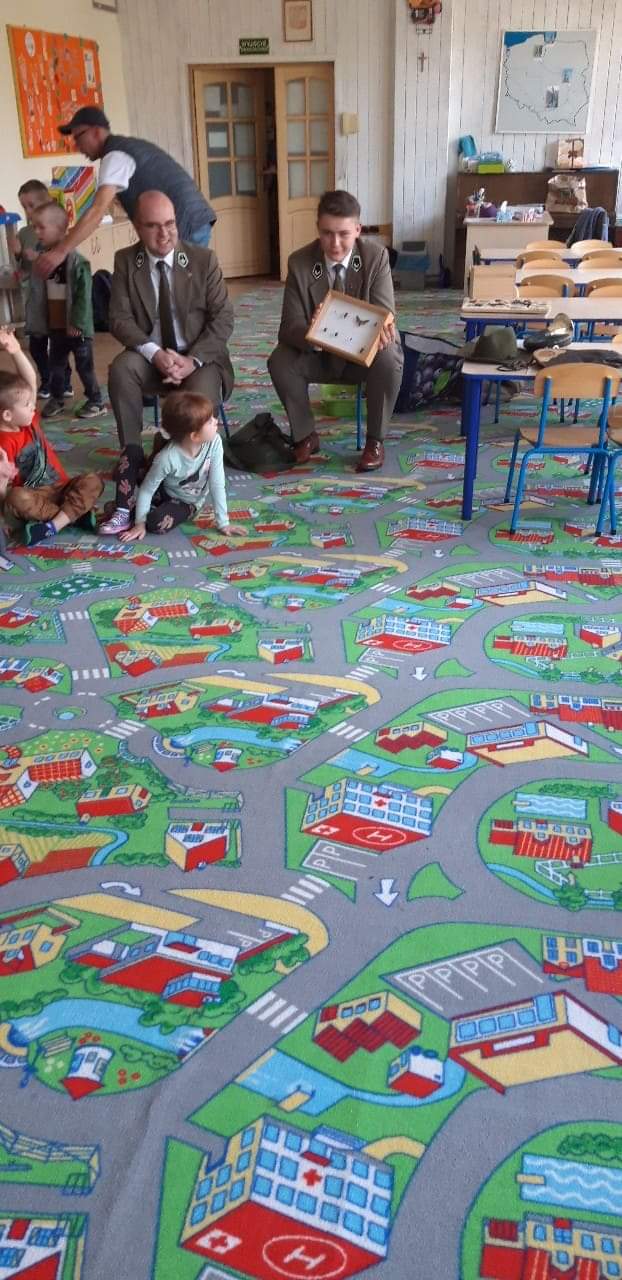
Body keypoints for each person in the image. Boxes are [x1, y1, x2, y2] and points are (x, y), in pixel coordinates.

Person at [101, 190, 234, 535]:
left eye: (170, 224)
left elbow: (223, 319)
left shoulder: (203, 260)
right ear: (137, 227)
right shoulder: (126, 261)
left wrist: (192, 360)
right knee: (122, 368)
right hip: (151, 357)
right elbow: (119, 319)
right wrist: (154, 353)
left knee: (200, 391)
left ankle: (187, 461)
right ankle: (132, 456)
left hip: (199, 359)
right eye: (153, 226)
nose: (164, 234)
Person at [268, 190, 404, 472]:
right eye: (327, 233)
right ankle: (305, 435)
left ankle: (375, 440)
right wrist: (315, 330)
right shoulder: (299, 262)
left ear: (358, 229)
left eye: (344, 234)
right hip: (319, 355)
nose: (335, 243)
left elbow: (385, 315)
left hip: (362, 356)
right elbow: (288, 327)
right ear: (318, 228)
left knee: (390, 354)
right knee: (279, 360)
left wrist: (336, 323)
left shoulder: (375, 257)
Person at [34, 107, 217, 279]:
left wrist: (60, 251)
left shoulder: (115, 156)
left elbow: (97, 211)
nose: (77, 146)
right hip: (192, 219)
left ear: (96, 132)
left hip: (185, 223)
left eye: (78, 137)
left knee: (176, 290)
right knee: (163, 286)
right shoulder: (124, 148)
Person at [0, 328, 103, 547]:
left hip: (62, 487)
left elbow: (29, 380)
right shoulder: (3, 444)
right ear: (7, 415)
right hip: (35, 498)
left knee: (93, 481)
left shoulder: (28, 420)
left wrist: (15, 350)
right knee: (15, 497)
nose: (33, 407)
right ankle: (72, 516)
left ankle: (55, 524)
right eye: (27, 405)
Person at [116, 391, 243, 541]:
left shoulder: (215, 442)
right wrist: (139, 524)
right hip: (162, 491)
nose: (216, 421)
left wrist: (223, 523)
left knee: (156, 522)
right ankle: (123, 510)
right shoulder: (166, 458)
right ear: (194, 436)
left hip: (186, 503)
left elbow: (217, 484)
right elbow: (147, 490)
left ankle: (134, 509)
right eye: (209, 421)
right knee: (131, 452)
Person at [25, 202, 105, 420]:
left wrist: (77, 323)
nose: (36, 232)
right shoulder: (44, 259)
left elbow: (83, 297)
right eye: (34, 227)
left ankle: (96, 400)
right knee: (56, 367)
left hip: (77, 329)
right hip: (56, 327)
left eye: (41, 227)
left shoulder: (77, 262)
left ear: (61, 229)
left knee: (84, 367)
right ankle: (57, 399)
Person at [7, 180, 72, 400]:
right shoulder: (25, 232)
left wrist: (38, 257)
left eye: (32, 205)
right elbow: (23, 265)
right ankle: (47, 380)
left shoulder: (58, 232)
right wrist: (17, 254)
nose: (28, 211)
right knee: (36, 345)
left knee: (58, 346)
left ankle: (63, 382)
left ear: (49, 202)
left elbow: (64, 261)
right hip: (35, 300)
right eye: (24, 207)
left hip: (56, 300)